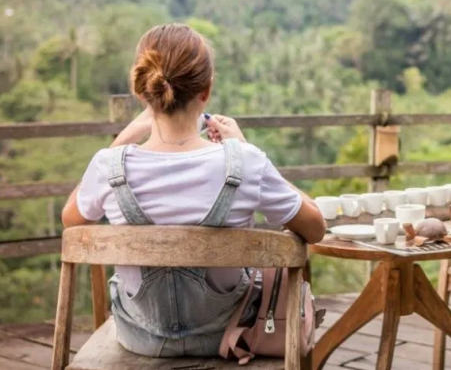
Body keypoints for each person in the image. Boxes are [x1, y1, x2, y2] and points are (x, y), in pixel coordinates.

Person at [61, 23, 326, 357]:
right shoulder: (246, 163)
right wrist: (247, 150)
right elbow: (315, 228)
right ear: (206, 91)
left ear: (142, 91)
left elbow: (71, 221)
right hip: (229, 334)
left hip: (139, 337)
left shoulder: (108, 167)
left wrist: (123, 139)